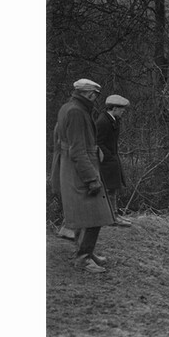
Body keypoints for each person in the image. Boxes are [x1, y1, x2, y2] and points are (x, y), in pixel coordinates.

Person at [50, 78, 116, 273]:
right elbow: (78, 150)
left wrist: (96, 150)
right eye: (95, 95)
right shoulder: (77, 112)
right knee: (94, 215)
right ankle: (83, 258)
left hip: (72, 168)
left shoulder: (69, 107)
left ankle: (87, 251)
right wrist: (91, 178)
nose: (96, 98)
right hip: (80, 170)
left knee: (84, 215)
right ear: (88, 94)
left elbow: (63, 140)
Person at [95, 94, 132, 227]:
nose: (123, 111)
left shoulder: (113, 120)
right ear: (114, 108)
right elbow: (98, 142)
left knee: (112, 188)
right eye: (121, 109)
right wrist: (109, 156)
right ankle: (111, 216)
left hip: (110, 159)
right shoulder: (103, 121)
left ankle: (113, 215)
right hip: (105, 161)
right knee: (109, 189)